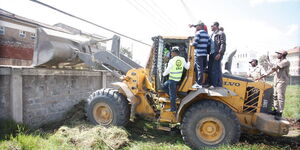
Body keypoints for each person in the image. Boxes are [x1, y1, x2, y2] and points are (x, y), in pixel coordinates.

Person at [257, 50, 290, 120]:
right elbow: (273, 66)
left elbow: (275, 68)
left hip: (282, 81)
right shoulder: (279, 61)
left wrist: (266, 74)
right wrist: (268, 61)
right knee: (275, 96)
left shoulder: (286, 62)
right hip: (276, 80)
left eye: (278, 54)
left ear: (282, 55)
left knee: (280, 97)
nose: (277, 55)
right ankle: (275, 110)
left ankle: (279, 112)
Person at [190, 20, 210, 88]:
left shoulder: (198, 33)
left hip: (198, 54)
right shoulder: (207, 34)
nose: (196, 27)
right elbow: (208, 44)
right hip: (204, 54)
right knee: (201, 69)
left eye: (197, 26)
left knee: (199, 69)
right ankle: (200, 82)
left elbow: (195, 43)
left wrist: (191, 44)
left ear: (200, 26)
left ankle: (199, 83)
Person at [208, 22, 226, 88]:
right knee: (210, 68)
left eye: (212, 26)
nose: (211, 27)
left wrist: (220, 53)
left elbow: (223, 44)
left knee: (215, 69)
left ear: (216, 26)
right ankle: (210, 83)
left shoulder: (221, 33)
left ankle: (214, 85)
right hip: (211, 53)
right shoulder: (212, 34)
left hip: (217, 53)